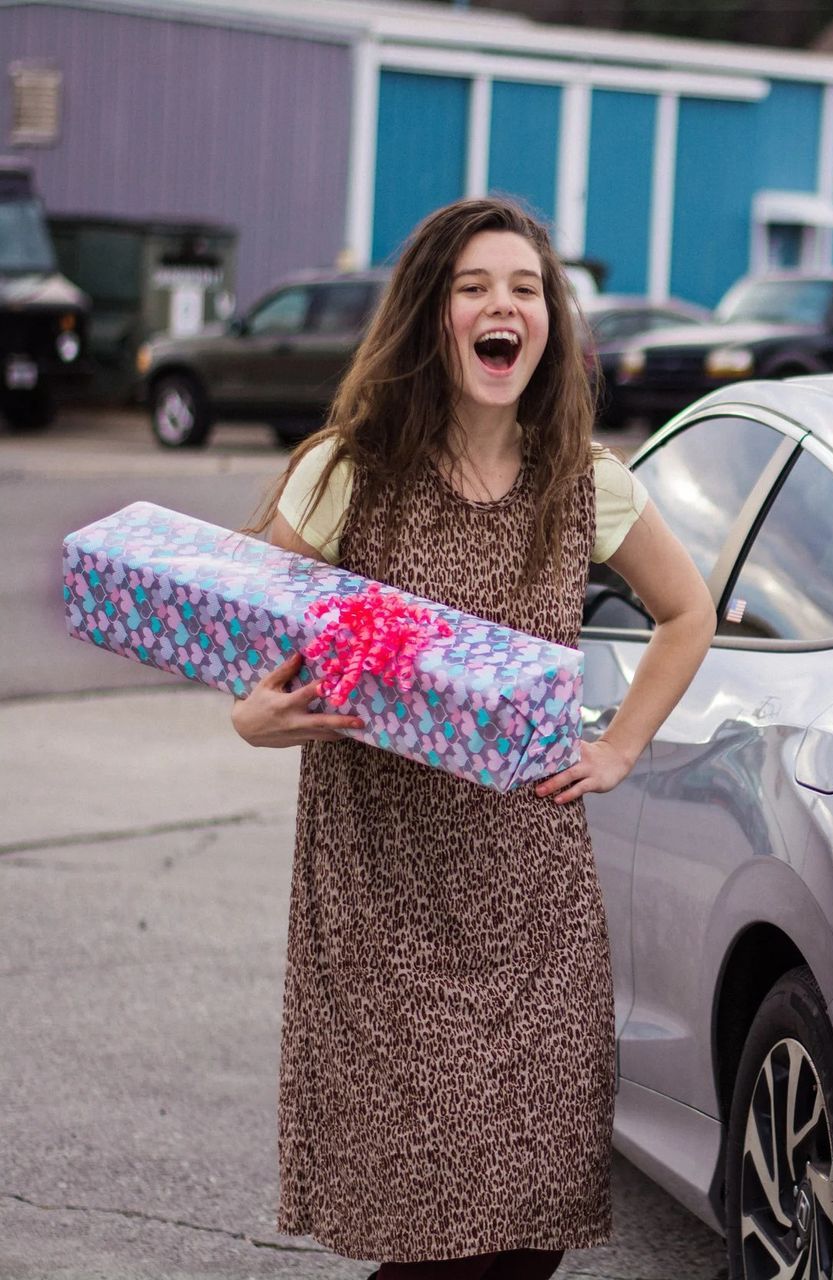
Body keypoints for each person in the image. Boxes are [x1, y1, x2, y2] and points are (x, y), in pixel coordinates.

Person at [230, 197, 715, 1279]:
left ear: (549, 323)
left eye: (525, 289)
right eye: (474, 287)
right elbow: (253, 634)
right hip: (383, 898)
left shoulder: (586, 481)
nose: (504, 306)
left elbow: (689, 612)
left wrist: (618, 747)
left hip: (535, 904)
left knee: (531, 1233)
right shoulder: (346, 470)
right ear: (430, 315)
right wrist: (255, 718)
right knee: (431, 1234)